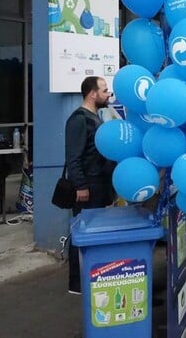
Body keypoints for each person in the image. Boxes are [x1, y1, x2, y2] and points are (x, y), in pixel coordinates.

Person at [66, 76, 115, 294]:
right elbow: (73, 157)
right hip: (88, 186)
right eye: (105, 90)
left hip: (100, 185)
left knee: (94, 233)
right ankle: (77, 283)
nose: (108, 95)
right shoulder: (78, 120)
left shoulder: (96, 117)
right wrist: (80, 186)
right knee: (82, 233)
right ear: (92, 93)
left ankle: (93, 276)